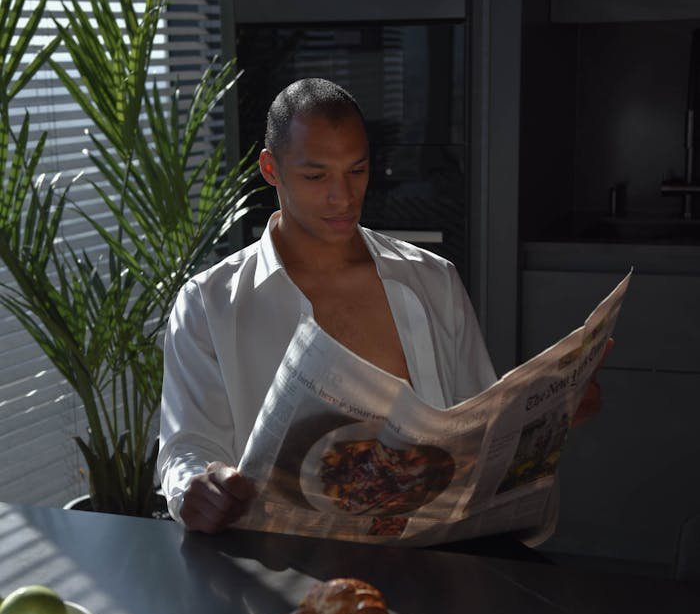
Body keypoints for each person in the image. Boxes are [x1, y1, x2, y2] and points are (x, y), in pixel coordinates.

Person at [158, 77, 604, 536]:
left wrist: (548, 418)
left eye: (357, 170)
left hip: (433, 562)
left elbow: (479, 435)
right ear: (271, 169)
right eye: (316, 176)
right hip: (280, 570)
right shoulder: (210, 303)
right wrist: (195, 487)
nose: (344, 197)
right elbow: (186, 445)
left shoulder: (433, 280)